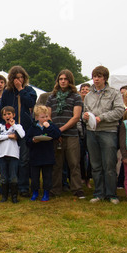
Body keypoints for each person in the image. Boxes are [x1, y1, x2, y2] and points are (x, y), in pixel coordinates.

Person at [82, 66, 125, 204]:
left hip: (108, 131)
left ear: (105, 78)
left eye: (99, 76)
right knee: (95, 165)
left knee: (109, 164)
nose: (96, 79)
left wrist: (101, 117)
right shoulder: (88, 95)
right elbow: (85, 112)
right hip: (91, 132)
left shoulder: (114, 93)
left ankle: (111, 194)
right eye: (94, 76)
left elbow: (119, 111)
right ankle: (98, 193)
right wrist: (85, 116)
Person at [46, 69, 85, 199]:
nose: (63, 81)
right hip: (56, 136)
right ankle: (55, 189)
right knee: (56, 164)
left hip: (72, 134)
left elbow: (76, 117)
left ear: (70, 81)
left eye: (65, 79)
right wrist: (55, 132)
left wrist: (60, 130)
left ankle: (77, 189)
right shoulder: (51, 97)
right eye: (60, 79)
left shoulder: (76, 96)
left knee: (74, 163)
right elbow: (48, 115)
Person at [0, 66, 37, 197]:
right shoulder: (7, 92)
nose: (19, 80)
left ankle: (23, 187)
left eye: (21, 77)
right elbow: (2, 111)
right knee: (10, 159)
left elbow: (31, 103)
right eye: (16, 78)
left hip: (24, 130)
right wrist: (6, 129)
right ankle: (10, 187)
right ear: (12, 79)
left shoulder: (29, 90)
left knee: (24, 160)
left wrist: (21, 90)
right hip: (10, 132)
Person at [26, 105, 61, 202]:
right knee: (35, 176)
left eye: (46, 116)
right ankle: (35, 192)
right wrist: (33, 140)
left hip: (47, 156)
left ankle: (46, 193)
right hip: (35, 156)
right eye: (42, 117)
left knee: (47, 176)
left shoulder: (51, 126)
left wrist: (49, 127)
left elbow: (57, 135)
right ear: (37, 117)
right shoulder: (33, 127)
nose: (45, 119)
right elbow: (27, 141)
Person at [0, 106, 25, 203]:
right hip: (2, 155)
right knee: (3, 177)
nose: (7, 116)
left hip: (13, 154)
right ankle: (4, 197)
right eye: (4, 114)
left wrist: (14, 125)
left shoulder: (18, 126)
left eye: (9, 114)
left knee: (13, 177)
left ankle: (14, 197)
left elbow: (22, 135)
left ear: (13, 115)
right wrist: (9, 136)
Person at [78, 83, 92, 188]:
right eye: (83, 89)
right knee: (80, 157)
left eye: (87, 89)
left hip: (89, 131)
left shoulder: (91, 103)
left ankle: (88, 179)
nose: (84, 91)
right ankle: (82, 177)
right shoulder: (77, 103)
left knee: (90, 158)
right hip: (79, 133)